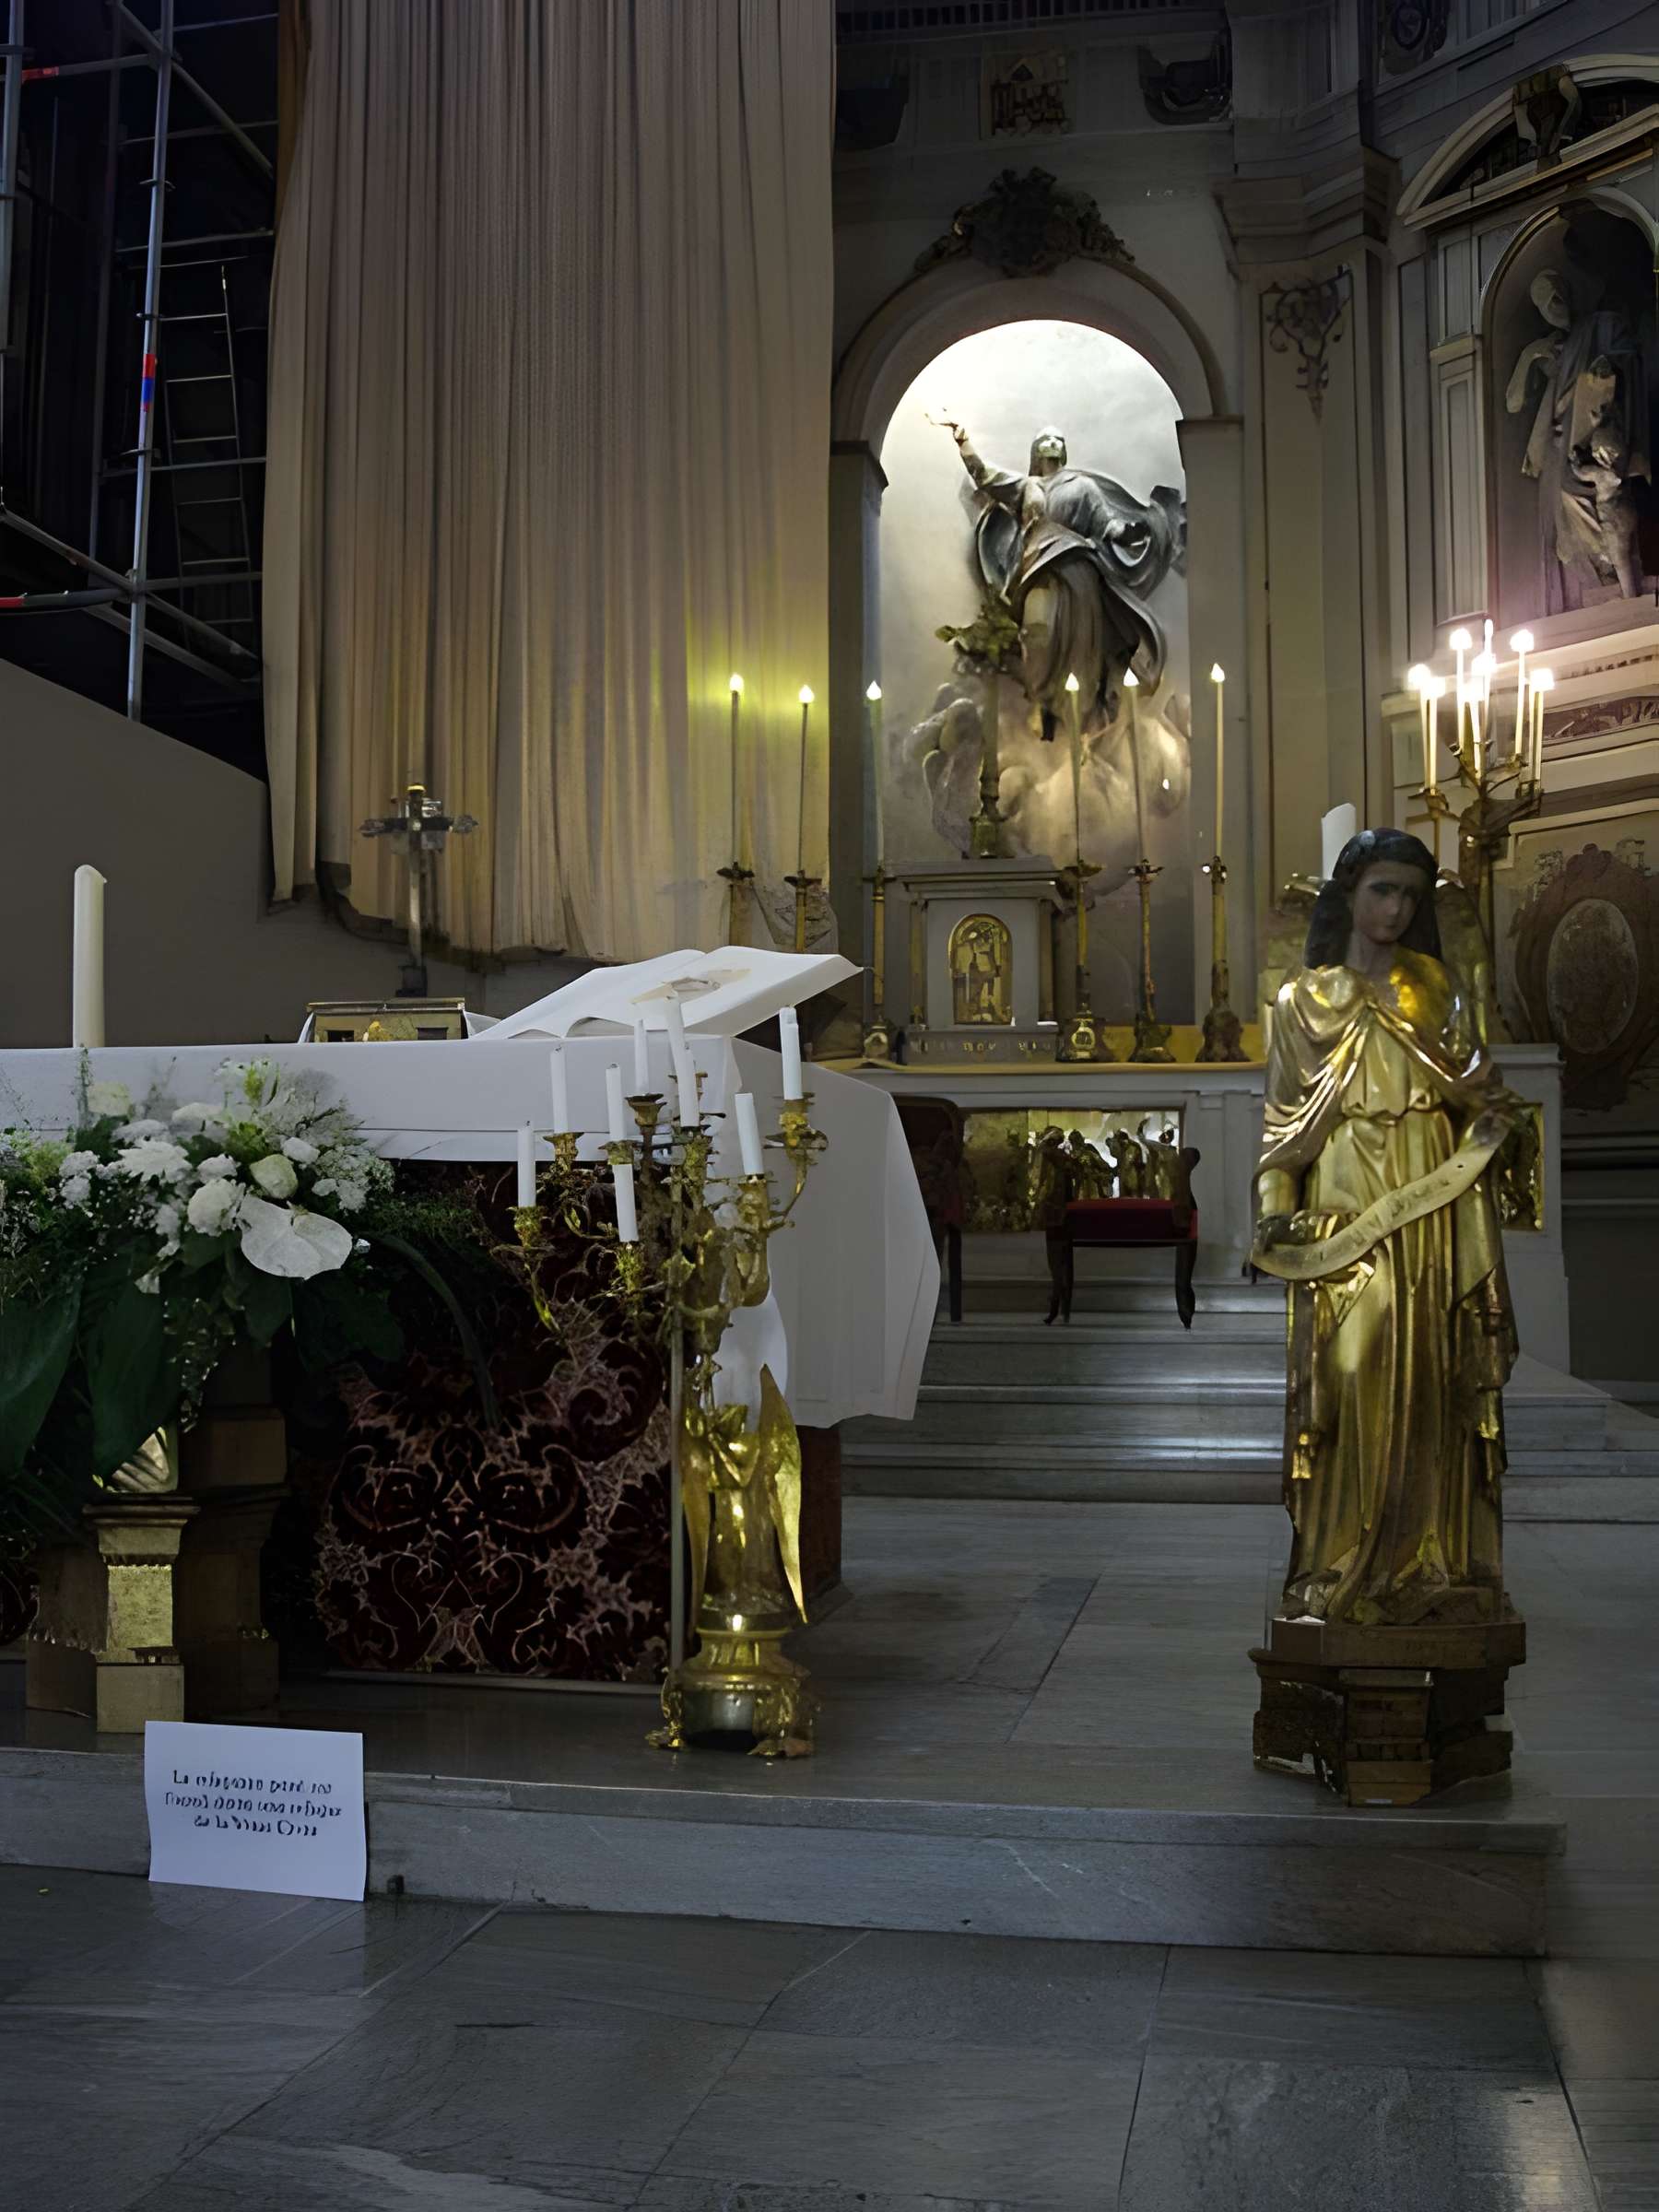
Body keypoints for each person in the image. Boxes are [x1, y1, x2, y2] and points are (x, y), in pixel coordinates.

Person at [1252, 828, 1520, 1627]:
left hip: (1434, 1204)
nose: (1396, 909)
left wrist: (1493, 1123)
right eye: (1382, 891)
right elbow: (1283, 1129)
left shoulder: (1435, 987)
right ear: (1349, 895)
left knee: (1433, 1375)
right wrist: (1274, 1214)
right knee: (1351, 1372)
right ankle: (1339, 1563)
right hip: (1345, 1205)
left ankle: (1430, 1561)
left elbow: (1480, 1092)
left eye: (1409, 895)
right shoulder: (1303, 1002)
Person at [937, 418, 1182, 739]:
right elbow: (985, 476)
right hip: (1037, 573)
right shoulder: (1027, 487)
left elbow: (1106, 523)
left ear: (1063, 451)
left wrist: (1129, 530)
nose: (1052, 444)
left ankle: (1079, 721)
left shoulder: (1083, 487)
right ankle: (1044, 706)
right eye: (1045, 440)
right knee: (1036, 638)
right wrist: (963, 441)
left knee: (1082, 648)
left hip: (1079, 570)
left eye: (1057, 441)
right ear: (1036, 453)